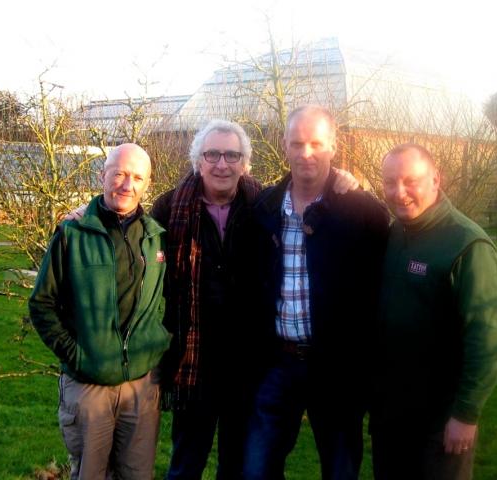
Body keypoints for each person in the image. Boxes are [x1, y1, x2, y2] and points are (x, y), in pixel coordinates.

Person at [152, 119, 361, 480]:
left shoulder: (262, 204)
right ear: (197, 160)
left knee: (236, 465)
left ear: (245, 163)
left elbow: (309, 188)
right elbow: (129, 229)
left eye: (232, 155)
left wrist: (344, 180)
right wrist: (87, 212)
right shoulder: (170, 207)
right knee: (185, 464)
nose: (222, 164)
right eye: (212, 154)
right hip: (193, 361)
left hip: (246, 364)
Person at [243, 105, 391, 479]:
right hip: (278, 362)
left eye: (316, 143)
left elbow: (382, 286)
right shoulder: (264, 208)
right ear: (284, 146)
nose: (306, 152)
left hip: (337, 367)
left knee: (340, 470)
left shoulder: (363, 211)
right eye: (297, 143)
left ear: (333, 146)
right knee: (256, 469)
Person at [29, 143, 170, 479]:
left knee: (137, 474)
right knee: (91, 473)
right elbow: (42, 304)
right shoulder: (72, 233)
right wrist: (77, 356)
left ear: (147, 184)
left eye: (137, 177)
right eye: (119, 173)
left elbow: (163, 300)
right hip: (89, 384)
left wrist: (156, 342)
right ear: (102, 175)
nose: (126, 184)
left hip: (141, 384)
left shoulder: (155, 237)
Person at [371, 143, 497, 479]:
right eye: (389, 182)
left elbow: (487, 342)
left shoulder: (466, 245)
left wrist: (466, 414)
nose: (398, 193)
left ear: (436, 179)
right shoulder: (396, 233)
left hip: (440, 421)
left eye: (410, 181)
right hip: (391, 415)